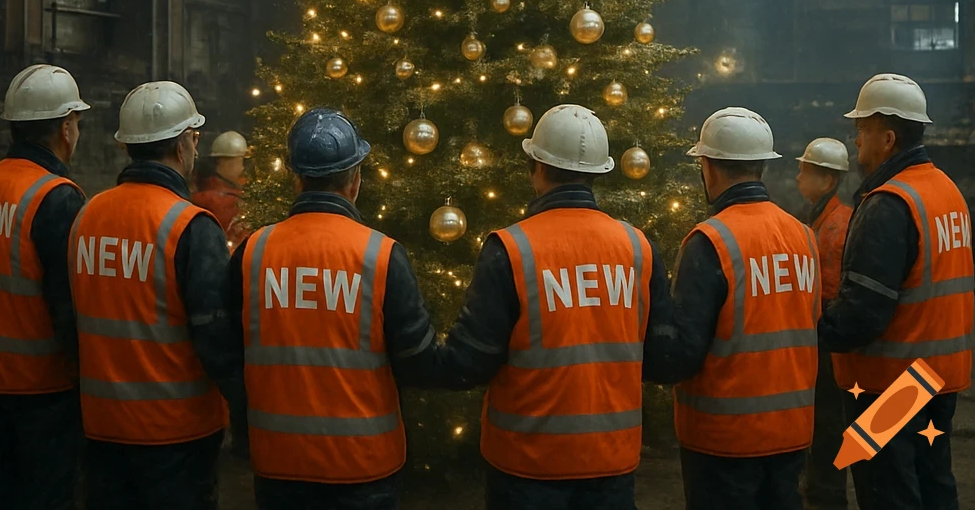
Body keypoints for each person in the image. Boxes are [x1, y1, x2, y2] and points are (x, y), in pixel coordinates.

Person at [435, 103, 681, 510]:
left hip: (526, 468)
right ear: (599, 171)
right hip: (611, 463)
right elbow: (662, 358)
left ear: (537, 167)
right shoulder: (638, 248)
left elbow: (470, 362)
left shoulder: (510, 249)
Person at [228, 107, 447, 510]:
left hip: (279, 463)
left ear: (296, 178)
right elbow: (419, 362)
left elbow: (226, 351)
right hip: (363, 468)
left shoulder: (253, 252)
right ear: (355, 180)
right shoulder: (381, 256)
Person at [69, 80, 247, 510]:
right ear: (186, 143)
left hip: (101, 427)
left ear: (127, 146)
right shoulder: (190, 226)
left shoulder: (87, 214)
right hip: (175, 434)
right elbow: (217, 341)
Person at [820, 73, 974, 510]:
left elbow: (863, 316)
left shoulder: (890, 204)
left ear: (887, 138)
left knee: (889, 494)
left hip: (892, 383)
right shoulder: (946, 192)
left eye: (861, 130)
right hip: (939, 376)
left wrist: (812, 324)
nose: (856, 141)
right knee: (934, 485)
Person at [670, 107, 820, 510]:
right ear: (761, 167)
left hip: (724, 440)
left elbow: (683, 352)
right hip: (791, 432)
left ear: (708, 166)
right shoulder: (803, 236)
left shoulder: (709, 241)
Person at [0, 65, 89, 510]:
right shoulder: (55, 196)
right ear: (67, 128)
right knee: (48, 495)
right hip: (44, 388)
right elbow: (68, 305)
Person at [795, 137, 852, 510]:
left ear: (827, 181)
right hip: (828, 343)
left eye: (805, 171)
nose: (798, 178)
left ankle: (827, 496)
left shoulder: (835, 228)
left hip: (830, 346)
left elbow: (829, 295)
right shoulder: (826, 220)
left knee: (829, 422)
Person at [193, 130, 250, 248]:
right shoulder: (225, 202)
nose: (244, 168)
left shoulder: (201, 193)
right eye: (242, 161)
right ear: (223, 161)